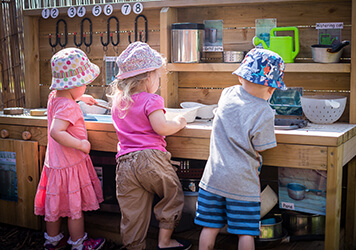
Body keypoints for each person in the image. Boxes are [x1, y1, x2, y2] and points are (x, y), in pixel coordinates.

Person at [194, 48, 287, 250]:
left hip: (213, 178)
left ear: (240, 77)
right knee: (245, 233)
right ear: (271, 89)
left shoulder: (227, 94)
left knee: (209, 228)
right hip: (242, 184)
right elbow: (262, 146)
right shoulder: (264, 111)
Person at [108, 41, 192, 250]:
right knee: (172, 195)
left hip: (125, 164)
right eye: (158, 76)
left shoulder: (118, 101)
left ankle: (133, 246)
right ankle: (165, 241)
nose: (159, 81)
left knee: (132, 213)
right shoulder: (152, 100)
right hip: (150, 160)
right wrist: (180, 122)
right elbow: (161, 127)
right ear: (148, 76)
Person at [34, 48, 106, 250]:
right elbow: (57, 131)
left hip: (55, 165)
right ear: (73, 84)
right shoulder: (69, 107)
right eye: (84, 83)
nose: (85, 86)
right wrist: (81, 144)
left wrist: (81, 98)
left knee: (54, 207)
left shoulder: (55, 98)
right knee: (75, 210)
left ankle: (53, 240)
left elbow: (64, 102)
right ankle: (79, 244)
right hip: (70, 164)